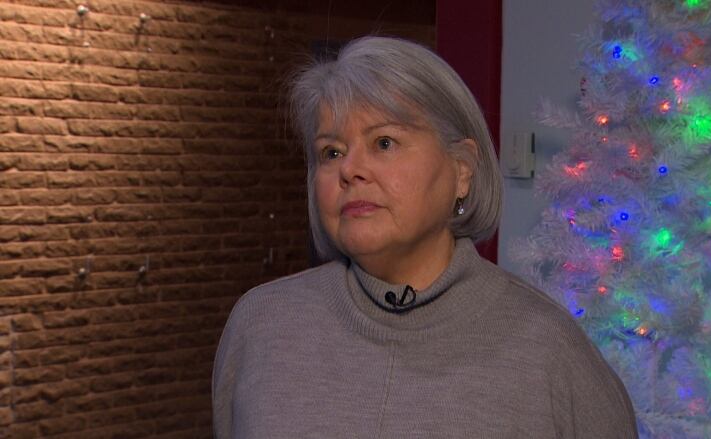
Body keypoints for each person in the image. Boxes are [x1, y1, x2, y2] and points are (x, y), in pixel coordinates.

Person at [211, 36, 638, 438]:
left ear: (462, 170)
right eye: (331, 152)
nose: (349, 169)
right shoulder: (262, 324)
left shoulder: (547, 348)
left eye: (384, 142)